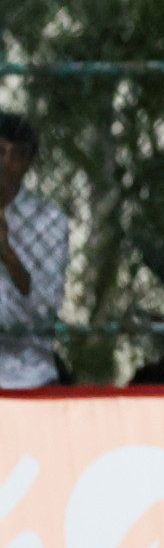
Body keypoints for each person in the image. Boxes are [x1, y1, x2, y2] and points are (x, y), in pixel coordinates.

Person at [0, 112, 67, 389]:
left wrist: (7, 252)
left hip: (29, 373)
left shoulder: (47, 220)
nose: (5, 163)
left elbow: (44, 309)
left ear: (28, 164)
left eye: (16, 155)